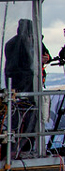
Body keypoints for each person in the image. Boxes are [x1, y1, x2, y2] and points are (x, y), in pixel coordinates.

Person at [3, 19, 49, 156]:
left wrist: (43, 58)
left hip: (21, 87)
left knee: (21, 118)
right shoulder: (17, 44)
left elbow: (46, 56)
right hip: (25, 88)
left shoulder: (15, 43)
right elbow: (22, 64)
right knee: (25, 118)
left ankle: (19, 148)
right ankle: (21, 148)